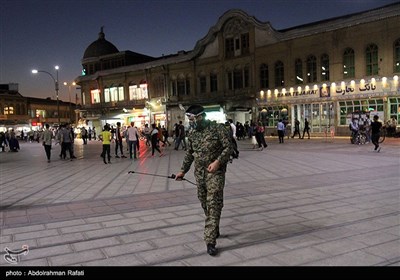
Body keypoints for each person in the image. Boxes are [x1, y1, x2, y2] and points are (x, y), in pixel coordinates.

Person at [175, 104, 233, 256]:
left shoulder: (218, 129)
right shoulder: (193, 132)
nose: (190, 121)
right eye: (188, 119)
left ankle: (210, 241)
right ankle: (214, 226)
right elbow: (190, 153)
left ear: (201, 117)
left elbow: (229, 148)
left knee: (213, 202)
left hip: (215, 172)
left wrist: (218, 162)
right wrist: (182, 170)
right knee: (204, 201)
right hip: (199, 174)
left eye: (192, 118)